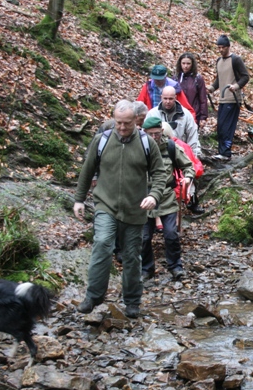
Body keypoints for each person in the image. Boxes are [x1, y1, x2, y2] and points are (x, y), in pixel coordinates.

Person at [74, 100, 166, 318]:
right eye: (118, 123)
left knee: (132, 256)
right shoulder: (101, 140)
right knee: (103, 243)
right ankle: (94, 296)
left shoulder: (146, 143)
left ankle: (132, 301)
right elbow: (87, 171)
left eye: (127, 123)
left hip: (135, 209)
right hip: (106, 204)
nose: (123, 128)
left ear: (136, 120)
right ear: (113, 120)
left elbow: (160, 173)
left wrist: (154, 196)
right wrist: (79, 199)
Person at [140, 117, 195, 281]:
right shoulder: (138, 147)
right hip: (143, 198)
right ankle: (146, 269)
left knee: (171, 234)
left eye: (157, 134)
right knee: (143, 237)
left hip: (166, 197)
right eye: (151, 134)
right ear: (144, 133)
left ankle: (175, 267)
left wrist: (188, 178)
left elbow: (188, 165)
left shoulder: (171, 147)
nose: (154, 137)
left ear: (162, 131)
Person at [206, 34, 250, 161]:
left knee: (227, 126)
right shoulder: (219, 61)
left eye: (223, 47)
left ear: (228, 47)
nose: (220, 50)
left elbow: (245, 76)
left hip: (233, 98)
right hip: (222, 98)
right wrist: (212, 88)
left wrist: (236, 86)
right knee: (220, 125)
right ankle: (222, 152)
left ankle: (225, 153)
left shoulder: (235, 59)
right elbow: (219, 79)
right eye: (218, 47)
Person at [146, 86, 201, 158]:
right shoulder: (152, 114)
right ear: (161, 97)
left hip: (181, 154)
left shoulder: (186, 115)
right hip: (158, 155)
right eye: (165, 98)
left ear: (175, 97)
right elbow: (146, 136)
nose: (167, 102)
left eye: (170, 99)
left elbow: (193, 138)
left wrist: (194, 158)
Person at [175, 52, 208, 128]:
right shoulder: (176, 78)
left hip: (194, 114)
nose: (185, 66)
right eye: (183, 63)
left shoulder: (197, 79)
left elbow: (203, 99)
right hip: (178, 113)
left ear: (192, 64)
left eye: (188, 64)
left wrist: (203, 117)